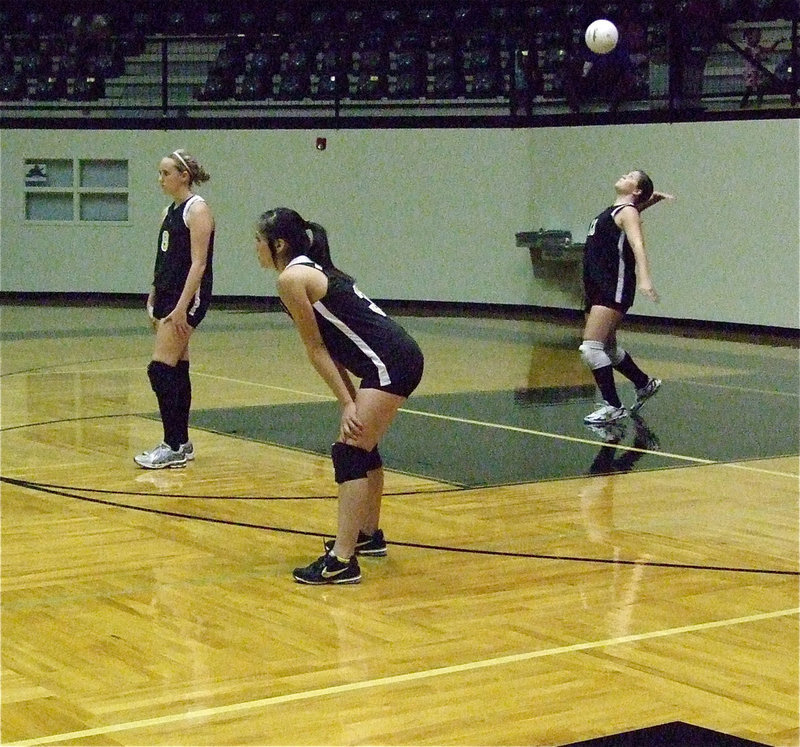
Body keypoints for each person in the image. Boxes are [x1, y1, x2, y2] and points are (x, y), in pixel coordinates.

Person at [255, 208, 424, 585]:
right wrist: (347, 400)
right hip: (395, 357)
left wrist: (348, 403)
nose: (255, 248)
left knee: (349, 452)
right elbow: (331, 349)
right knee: (363, 446)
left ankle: (342, 560)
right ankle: (367, 535)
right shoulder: (308, 270)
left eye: (258, 240)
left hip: (390, 361)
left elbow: (316, 348)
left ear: (278, 244)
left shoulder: (291, 278)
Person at [134, 149, 214, 469]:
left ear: (184, 176)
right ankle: (183, 443)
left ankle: (172, 445)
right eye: (159, 173)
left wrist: (182, 307)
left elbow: (199, 264)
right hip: (167, 294)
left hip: (187, 297)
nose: (160, 179)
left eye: (166, 173)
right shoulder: (168, 211)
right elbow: (163, 258)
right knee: (177, 368)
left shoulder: (198, 210)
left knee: (160, 369)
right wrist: (154, 293)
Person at [580, 170, 674, 426]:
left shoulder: (629, 211)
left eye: (631, 176)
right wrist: (649, 201)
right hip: (596, 285)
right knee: (607, 348)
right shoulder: (619, 211)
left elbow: (637, 244)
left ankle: (613, 406)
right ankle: (644, 383)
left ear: (636, 190)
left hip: (613, 286)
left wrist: (644, 278)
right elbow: (623, 220)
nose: (624, 175)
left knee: (591, 348)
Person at [740, 27, 787, 109]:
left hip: (757, 71)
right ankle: (744, 104)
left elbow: (770, 49)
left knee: (760, 88)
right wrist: (761, 58)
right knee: (750, 89)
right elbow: (752, 58)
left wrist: (777, 42)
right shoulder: (747, 49)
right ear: (749, 37)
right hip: (751, 72)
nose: (758, 38)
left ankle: (758, 105)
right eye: (756, 36)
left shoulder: (758, 48)